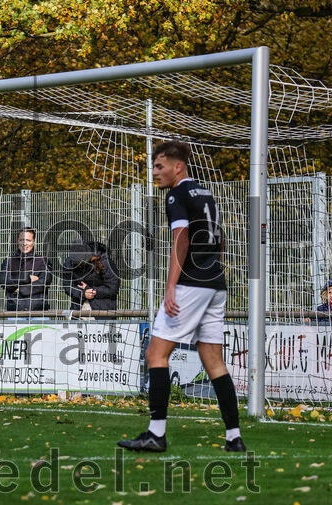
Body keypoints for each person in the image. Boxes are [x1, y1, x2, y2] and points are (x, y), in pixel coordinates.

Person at [119, 140, 245, 453]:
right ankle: (234, 438)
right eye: (153, 167)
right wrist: (211, 266)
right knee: (213, 361)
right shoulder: (206, 193)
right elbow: (220, 237)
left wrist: (171, 285)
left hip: (191, 284)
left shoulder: (176, 194)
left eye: (159, 167)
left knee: (156, 354)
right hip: (216, 282)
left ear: (178, 167)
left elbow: (182, 239)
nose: (155, 173)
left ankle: (155, 434)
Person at [0, 227, 53, 313]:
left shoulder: (43, 261)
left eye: (28, 240)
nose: (24, 243)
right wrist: (28, 278)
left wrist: (21, 289)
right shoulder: (8, 261)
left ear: (33, 242)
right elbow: (4, 281)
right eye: (22, 240)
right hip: (14, 312)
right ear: (17, 241)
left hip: (39, 314)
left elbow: (44, 283)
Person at [63, 241, 119, 318]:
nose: (79, 266)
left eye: (82, 264)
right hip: (78, 308)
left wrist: (91, 291)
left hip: (103, 310)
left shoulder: (106, 263)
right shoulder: (69, 263)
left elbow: (113, 289)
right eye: (77, 264)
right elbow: (67, 287)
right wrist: (82, 294)